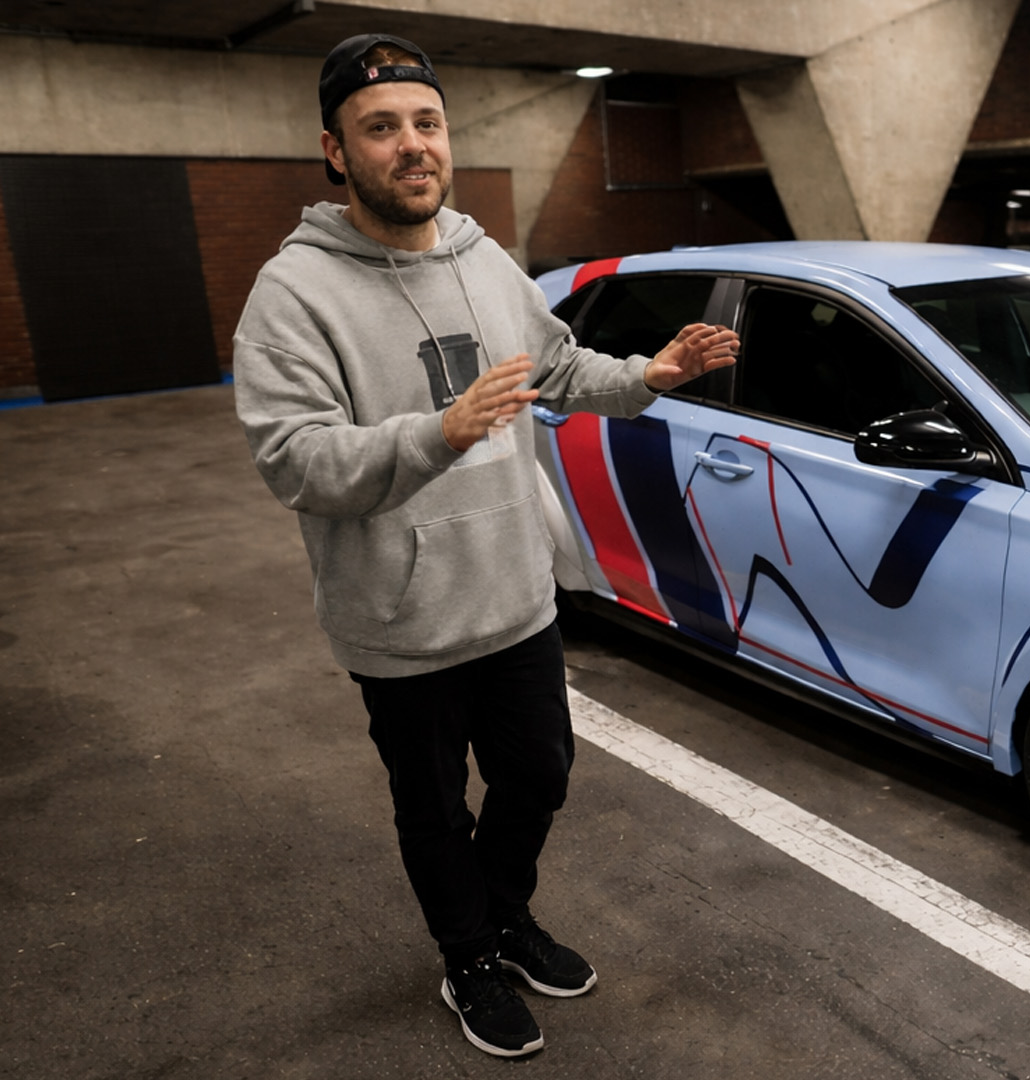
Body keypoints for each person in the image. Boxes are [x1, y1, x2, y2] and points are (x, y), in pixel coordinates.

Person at [232, 33, 738, 1058]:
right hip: (402, 620)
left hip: (515, 597)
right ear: (336, 151)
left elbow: (560, 367)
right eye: (381, 128)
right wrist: (440, 432)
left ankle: (504, 919)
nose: (411, 145)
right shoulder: (293, 294)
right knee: (433, 810)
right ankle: (466, 958)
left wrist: (650, 376)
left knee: (539, 776)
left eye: (427, 123)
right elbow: (297, 462)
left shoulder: (483, 258)